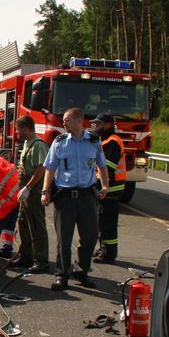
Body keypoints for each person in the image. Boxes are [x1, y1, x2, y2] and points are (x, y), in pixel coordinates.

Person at [41, 107, 109, 291]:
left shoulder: (94, 142)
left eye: (67, 120)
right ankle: (62, 274)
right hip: (65, 197)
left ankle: (82, 270)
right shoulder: (59, 142)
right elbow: (50, 168)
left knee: (90, 236)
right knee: (64, 238)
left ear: (79, 121)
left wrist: (105, 186)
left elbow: (102, 166)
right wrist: (45, 191)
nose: (63, 124)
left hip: (87, 196)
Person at [11, 116, 50, 272]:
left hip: (33, 192)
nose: (16, 132)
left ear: (26, 129)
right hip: (27, 192)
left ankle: (41, 261)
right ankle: (26, 257)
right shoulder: (27, 143)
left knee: (36, 225)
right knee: (24, 223)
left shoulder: (38, 145)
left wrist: (27, 187)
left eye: (17, 129)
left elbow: (41, 169)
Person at [90, 113, 126, 264]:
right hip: (108, 189)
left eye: (98, 124)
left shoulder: (112, 142)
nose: (95, 127)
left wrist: (99, 187)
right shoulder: (105, 141)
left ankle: (108, 254)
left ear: (108, 125)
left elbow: (107, 168)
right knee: (102, 221)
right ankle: (103, 247)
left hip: (110, 190)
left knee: (107, 223)